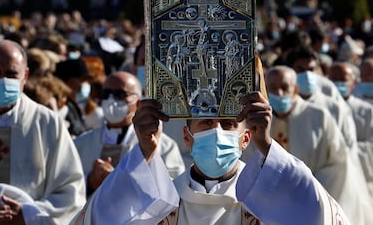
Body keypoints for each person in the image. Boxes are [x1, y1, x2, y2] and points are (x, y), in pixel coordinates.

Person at [72, 91, 351, 224]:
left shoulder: (268, 202)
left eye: (228, 123)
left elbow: (317, 216)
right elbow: (101, 220)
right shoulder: (162, 203)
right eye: (205, 122)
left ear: (246, 138)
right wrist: (145, 151)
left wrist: (268, 146)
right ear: (186, 137)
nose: (216, 131)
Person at [0, 40, 86, 224]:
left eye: (11, 74)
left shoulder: (48, 123)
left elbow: (71, 191)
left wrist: (28, 214)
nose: (4, 80)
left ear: (25, 75)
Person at [264, 65, 372, 224]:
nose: (279, 93)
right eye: (273, 88)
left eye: (284, 87)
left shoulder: (319, 117)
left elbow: (338, 163)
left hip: (315, 202)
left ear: (295, 89)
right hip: (274, 206)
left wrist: (307, 189)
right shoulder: (261, 122)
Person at [74, 71, 185, 196]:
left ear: (138, 102)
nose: (111, 100)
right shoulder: (81, 143)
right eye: (106, 94)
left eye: (120, 94)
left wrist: (122, 180)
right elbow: (65, 185)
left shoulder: (164, 146)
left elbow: (174, 190)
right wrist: (90, 181)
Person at [328, 61, 373, 199]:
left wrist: (341, 150)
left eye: (343, 80)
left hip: (361, 182)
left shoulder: (366, 111)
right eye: (334, 80)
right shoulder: (321, 109)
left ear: (353, 83)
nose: (338, 84)